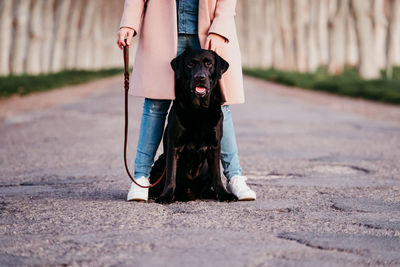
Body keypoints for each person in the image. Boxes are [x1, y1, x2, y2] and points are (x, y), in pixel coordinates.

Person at [117, 0, 256, 202]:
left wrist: (220, 28)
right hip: (161, 29)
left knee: (219, 106)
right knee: (156, 104)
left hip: (209, 30)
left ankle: (234, 177)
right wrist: (128, 23)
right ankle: (141, 179)